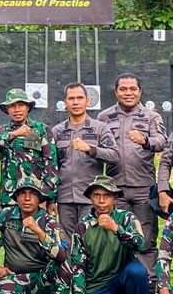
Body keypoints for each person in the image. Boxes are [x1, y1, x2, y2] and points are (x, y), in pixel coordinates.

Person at [68, 177, 150, 294]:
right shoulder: (82, 227)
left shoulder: (126, 218)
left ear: (115, 198)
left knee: (138, 272)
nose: (101, 200)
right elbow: (77, 268)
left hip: (123, 278)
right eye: (96, 195)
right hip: (97, 284)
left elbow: (141, 245)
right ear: (90, 198)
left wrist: (116, 229)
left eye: (106, 196)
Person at [0, 178, 74, 294]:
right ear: (16, 197)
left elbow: (62, 255)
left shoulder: (48, 221)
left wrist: (39, 231)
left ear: (39, 198)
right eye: (22, 194)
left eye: (32, 194)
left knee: (65, 266)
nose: (27, 198)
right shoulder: (5, 216)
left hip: (42, 279)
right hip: (13, 276)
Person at [97, 73, 167, 255]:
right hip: (115, 188)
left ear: (140, 92)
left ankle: (147, 273)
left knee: (145, 238)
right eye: (123, 89)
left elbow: (162, 142)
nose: (128, 93)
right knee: (116, 237)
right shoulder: (104, 117)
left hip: (143, 187)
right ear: (116, 92)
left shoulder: (151, 117)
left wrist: (145, 140)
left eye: (133, 89)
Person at [50, 82, 121, 239]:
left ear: (88, 101)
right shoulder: (57, 131)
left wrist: (91, 149)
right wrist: (51, 199)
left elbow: (115, 156)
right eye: (71, 99)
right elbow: (52, 167)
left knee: (90, 239)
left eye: (80, 98)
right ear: (65, 102)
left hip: (91, 197)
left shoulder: (100, 128)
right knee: (67, 241)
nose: (75, 102)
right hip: (65, 197)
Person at [0, 89, 58, 212]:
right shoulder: (0, 130)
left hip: (35, 197)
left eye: (20, 105)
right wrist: (13, 134)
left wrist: (50, 198)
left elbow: (51, 164)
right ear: (7, 109)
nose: (17, 110)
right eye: (12, 106)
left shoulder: (41, 130)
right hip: (9, 197)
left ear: (28, 107)